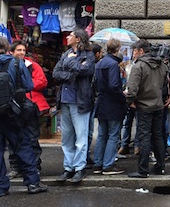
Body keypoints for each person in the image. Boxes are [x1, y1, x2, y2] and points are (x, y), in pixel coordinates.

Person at [0, 37, 47, 196]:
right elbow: (29, 86)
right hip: (13, 113)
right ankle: (32, 183)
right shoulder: (17, 64)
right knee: (23, 147)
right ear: (9, 48)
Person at [53, 28, 95, 183]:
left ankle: (79, 168)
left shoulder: (88, 55)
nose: (68, 37)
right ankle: (68, 168)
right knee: (67, 137)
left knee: (81, 137)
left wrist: (70, 63)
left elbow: (85, 70)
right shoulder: (66, 53)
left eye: (70, 35)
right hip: (64, 100)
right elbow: (56, 73)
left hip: (80, 101)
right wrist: (72, 73)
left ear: (78, 39)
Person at [125, 39, 168, 178]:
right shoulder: (161, 65)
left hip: (144, 106)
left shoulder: (139, 66)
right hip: (158, 105)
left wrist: (130, 101)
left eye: (135, 52)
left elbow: (132, 88)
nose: (133, 55)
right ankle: (160, 166)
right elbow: (165, 85)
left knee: (144, 136)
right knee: (158, 136)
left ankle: (143, 170)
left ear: (141, 51)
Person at [8, 41, 47, 177]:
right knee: (13, 139)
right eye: (18, 50)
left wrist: (24, 85)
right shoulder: (7, 66)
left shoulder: (33, 65)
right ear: (11, 52)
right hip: (13, 107)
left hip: (30, 106)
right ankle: (16, 167)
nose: (21, 52)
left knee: (32, 138)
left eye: (23, 50)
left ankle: (35, 166)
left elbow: (42, 82)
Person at [92, 38, 126, 175]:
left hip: (101, 102)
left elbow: (95, 83)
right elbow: (113, 86)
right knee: (113, 135)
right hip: (112, 104)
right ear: (117, 49)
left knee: (102, 135)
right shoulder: (113, 64)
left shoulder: (99, 63)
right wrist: (122, 95)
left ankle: (98, 164)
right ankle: (108, 165)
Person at [87, 43, 103, 167]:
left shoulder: (84, 63)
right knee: (88, 130)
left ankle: (84, 155)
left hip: (85, 100)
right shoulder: (95, 66)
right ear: (97, 54)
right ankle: (85, 156)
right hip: (90, 100)